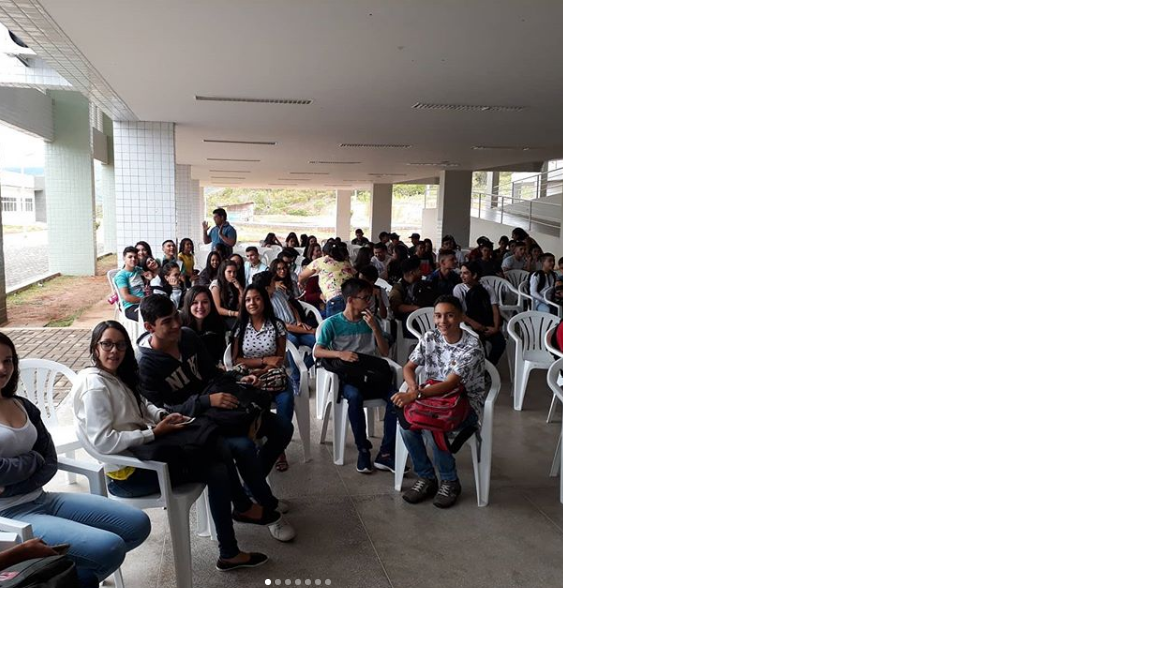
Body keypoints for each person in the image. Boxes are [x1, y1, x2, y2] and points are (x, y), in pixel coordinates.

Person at [71, 321, 269, 572]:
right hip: (130, 474)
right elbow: (103, 441)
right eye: (107, 344)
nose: (114, 351)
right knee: (217, 466)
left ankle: (239, 518)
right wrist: (152, 432)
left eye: (120, 345)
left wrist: (162, 415)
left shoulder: (116, 375)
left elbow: (144, 404)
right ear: (95, 347)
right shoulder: (95, 387)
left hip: (147, 453)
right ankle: (234, 537)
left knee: (215, 444)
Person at [135, 296, 295, 542]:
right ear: (149, 327)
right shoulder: (145, 365)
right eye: (167, 321)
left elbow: (211, 373)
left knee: (283, 428)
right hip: (195, 426)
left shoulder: (188, 337)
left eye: (177, 316)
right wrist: (205, 402)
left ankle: (251, 490)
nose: (177, 324)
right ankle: (266, 504)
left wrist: (238, 379)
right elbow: (161, 412)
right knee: (243, 446)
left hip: (223, 412)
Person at [0, 331, 151, 586]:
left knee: (137, 524)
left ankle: (61, 574)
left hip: (43, 498)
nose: (3, 368)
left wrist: (17, 478)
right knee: (109, 547)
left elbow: (49, 460)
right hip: (10, 514)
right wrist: (33, 460)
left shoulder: (22, 405)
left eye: (8, 360)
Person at [392, 296, 488, 509]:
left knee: (431, 425)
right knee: (406, 423)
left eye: (450, 315)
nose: (443, 321)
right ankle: (426, 476)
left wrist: (415, 396)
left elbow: (450, 384)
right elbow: (409, 368)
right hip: (431, 399)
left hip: (464, 403)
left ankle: (449, 480)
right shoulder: (430, 337)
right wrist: (413, 388)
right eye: (438, 316)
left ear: (461, 317)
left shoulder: (472, 345)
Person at [314, 278, 397, 474]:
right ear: (350, 300)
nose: (369, 302)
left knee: (396, 399)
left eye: (370, 298)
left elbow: (384, 352)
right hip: (350, 377)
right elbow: (317, 351)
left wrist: (375, 328)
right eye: (365, 298)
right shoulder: (332, 324)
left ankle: (386, 452)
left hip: (371, 375)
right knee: (354, 396)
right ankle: (363, 449)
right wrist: (340, 354)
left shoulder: (371, 321)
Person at [230, 285, 294, 473]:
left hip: (272, 375)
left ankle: (279, 446)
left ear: (264, 301)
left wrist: (265, 369)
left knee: (286, 399)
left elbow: (280, 358)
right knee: (254, 400)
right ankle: (259, 442)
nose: (252, 303)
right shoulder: (240, 326)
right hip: (249, 377)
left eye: (257, 298)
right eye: (248, 299)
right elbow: (236, 359)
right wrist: (263, 361)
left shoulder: (277, 324)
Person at [253, 270, 315, 393]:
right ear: (266, 288)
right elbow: (284, 326)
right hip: (282, 332)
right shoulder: (263, 305)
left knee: (319, 343)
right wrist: (310, 330)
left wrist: (299, 321)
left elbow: (292, 307)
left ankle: (300, 370)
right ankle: (297, 378)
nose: (275, 283)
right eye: (272, 282)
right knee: (293, 341)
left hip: (295, 326)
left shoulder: (279, 292)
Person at [453, 261, 506, 364]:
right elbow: (459, 313)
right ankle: (481, 367)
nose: (462, 276)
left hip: (486, 323)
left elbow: (495, 309)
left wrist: (495, 328)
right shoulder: (459, 289)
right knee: (478, 345)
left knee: (500, 343)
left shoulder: (487, 289)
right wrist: (475, 325)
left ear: (474, 275)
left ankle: (490, 367)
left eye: (465, 273)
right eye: (461, 273)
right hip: (468, 324)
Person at [297, 240, 355, 317]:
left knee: (334, 323)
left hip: (335, 298)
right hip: (351, 298)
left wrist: (301, 283)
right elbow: (354, 275)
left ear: (324, 253)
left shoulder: (321, 261)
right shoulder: (346, 262)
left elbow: (301, 276)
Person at [180, 285, 227, 367]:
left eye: (205, 302)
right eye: (195, 303)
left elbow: (220, 351)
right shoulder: (180, 324)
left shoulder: (218, 322)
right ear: (188, 304)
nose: (200, 307)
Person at [389, 257, 424, 339]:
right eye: (419, 270)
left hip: (421, 317)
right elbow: (396, 307)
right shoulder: (398, 288)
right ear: (412, 272)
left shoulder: (421, 284)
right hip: (408, 322)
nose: (421, 272)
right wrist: (418, 308)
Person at [114, 246, 146, 320]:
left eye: (135, 257)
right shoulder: (121, 276)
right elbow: (126, 297)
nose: (133, 259)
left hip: (143, 304)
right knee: (152, 316)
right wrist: (145, 300)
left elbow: (147, 276)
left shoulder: (138, 270)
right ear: (124, 258)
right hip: (130, 307)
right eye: (130, 257)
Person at [210, 261, 244, 326]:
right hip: (220, 317)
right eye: (229, 272)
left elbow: (241, 304)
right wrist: (235, 313)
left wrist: (240, 289)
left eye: (234, 272)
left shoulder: (235, 283)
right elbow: (217, 309)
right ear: (223, 272)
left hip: (233, 314)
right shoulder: (216, 284)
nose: (232, 275)